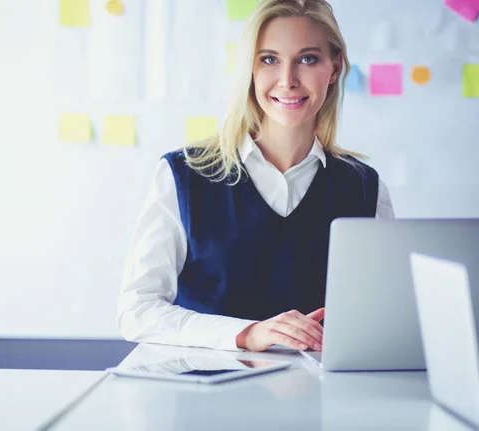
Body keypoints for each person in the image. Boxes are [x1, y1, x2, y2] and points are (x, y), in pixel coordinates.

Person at [117, 0, 395, 353]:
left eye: (307, 59)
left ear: (335, 67)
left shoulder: (365, 189)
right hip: (201, 397)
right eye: (269, 59)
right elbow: (136, 310)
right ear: (249, 68)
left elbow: (382, 318)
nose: (287, 80)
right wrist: (247, 334)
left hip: (319, 399)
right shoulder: (183, 176)